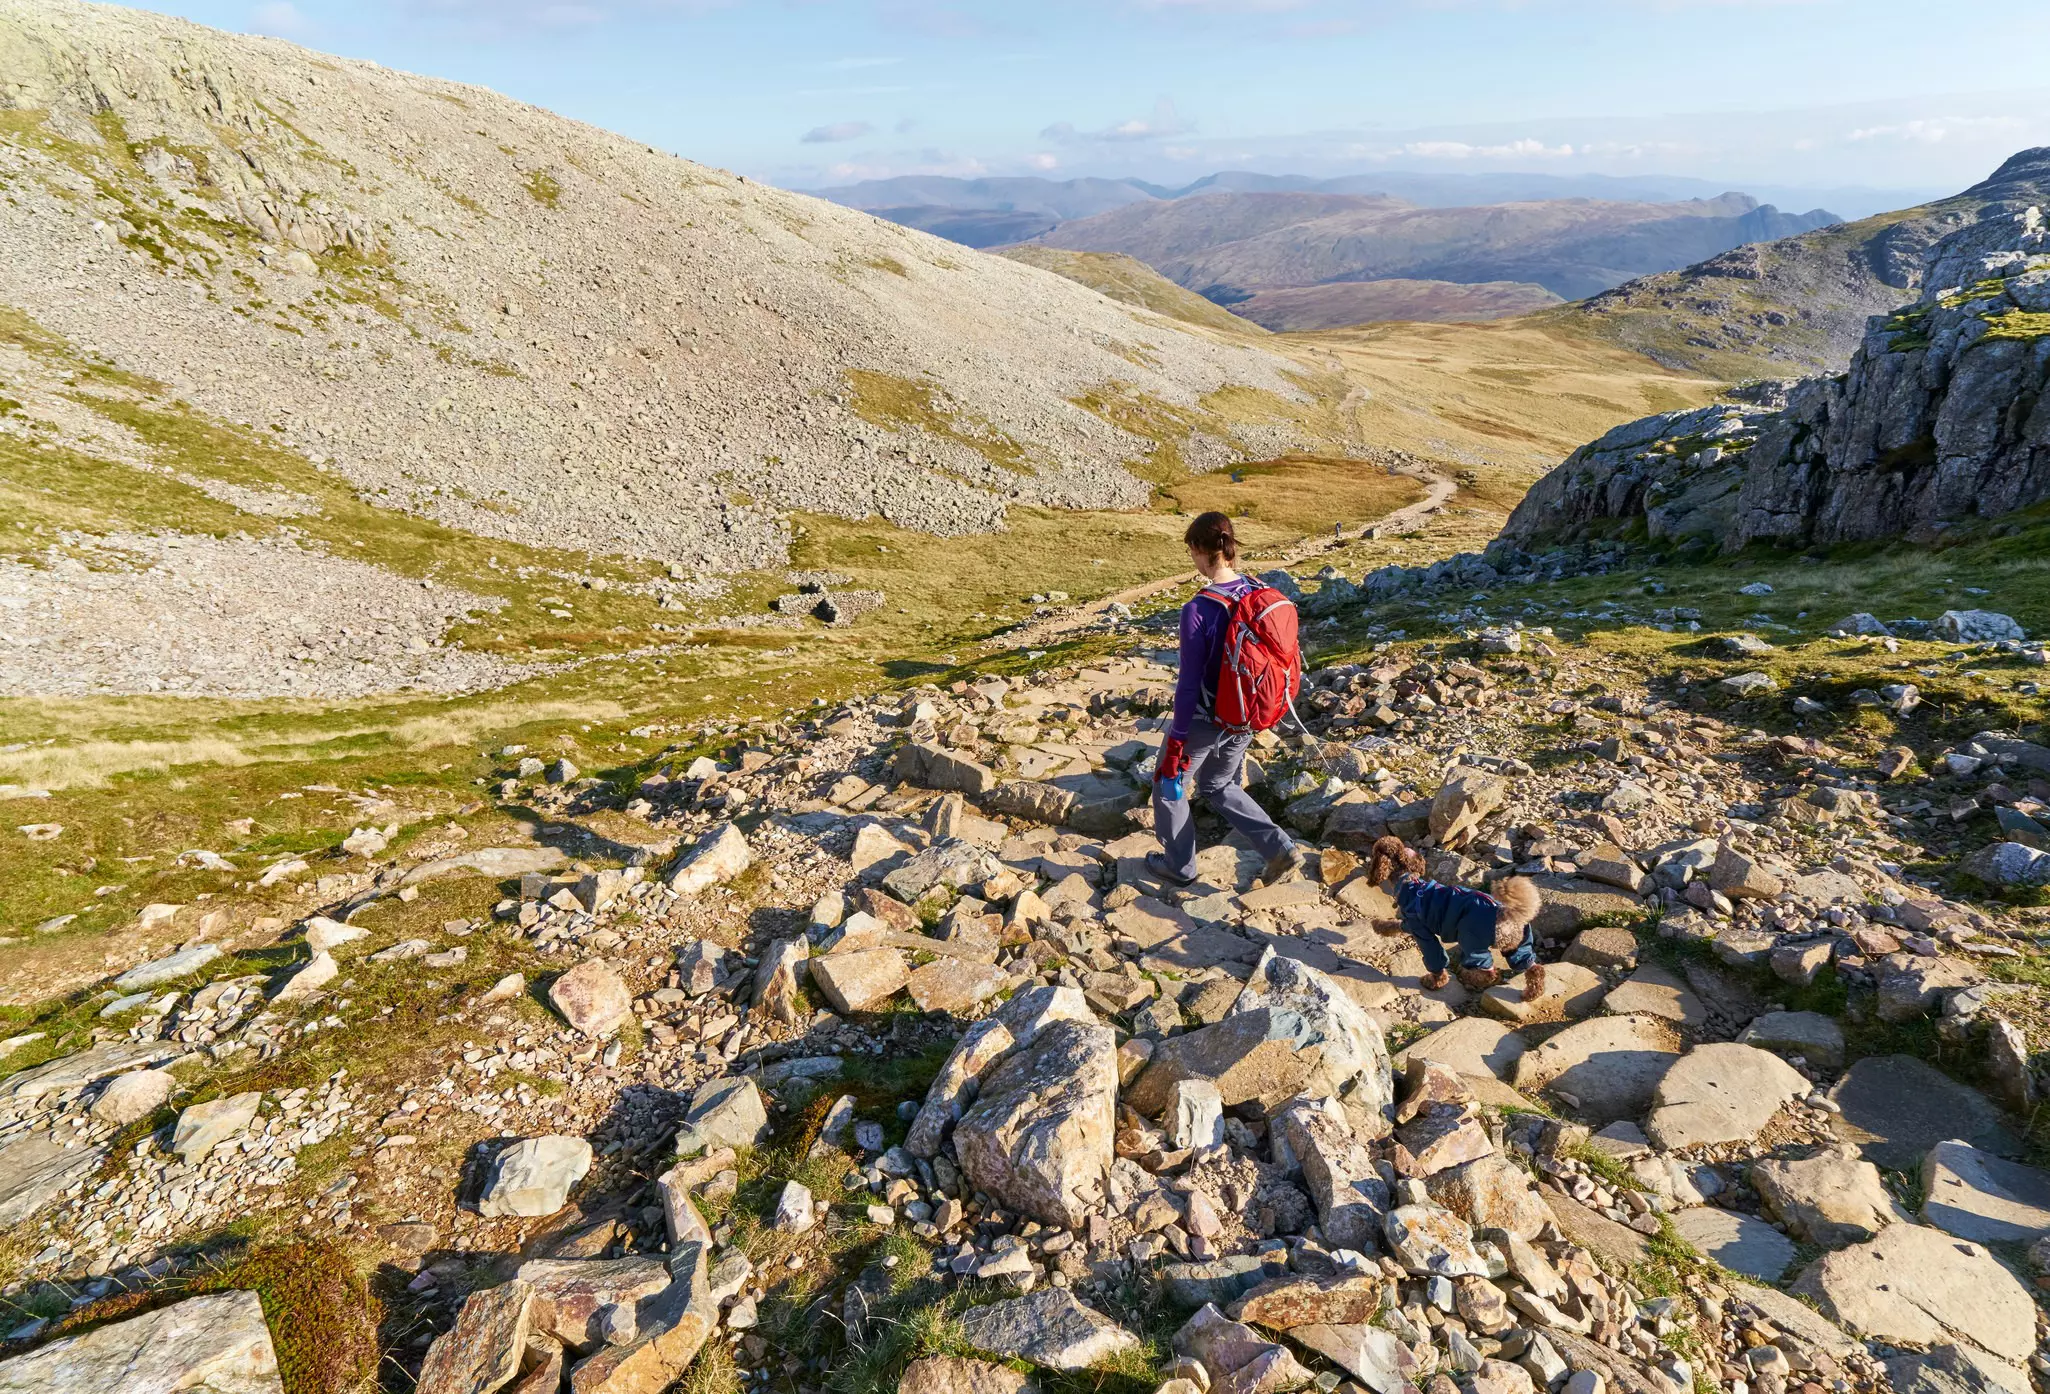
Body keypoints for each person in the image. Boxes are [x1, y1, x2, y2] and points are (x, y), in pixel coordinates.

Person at [1148, 511, 1305, 888]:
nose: (1192, 558)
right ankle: (1279, 848)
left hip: (1205, 718)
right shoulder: (1257, 590)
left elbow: (1188, 685)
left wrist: (1178, 739)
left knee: (1168, 786)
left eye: (1191, 551)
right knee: (1219, 785)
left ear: (1201, 550)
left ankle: (1179, 867)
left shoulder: (1198, 609)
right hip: (1250, 713)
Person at [1366, 835, 1545, 997]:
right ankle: (1532, 968)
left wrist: (1437, 973)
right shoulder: (1424, 896)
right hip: (1507, 915)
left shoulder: (1411, 904)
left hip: (1480, 924)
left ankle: (1485, 972)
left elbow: (1429, 945)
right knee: (1513, 942)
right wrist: (1391, 927)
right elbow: (1412, 924)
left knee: (1472, 959)